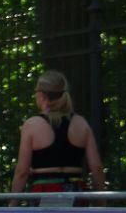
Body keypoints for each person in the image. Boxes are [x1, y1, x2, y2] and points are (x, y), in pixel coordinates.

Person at [10, 70, 105, 204]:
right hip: (76, 192)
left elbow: (22, 171)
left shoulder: (32, 125)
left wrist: (12, 204)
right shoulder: (81, 123)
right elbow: (96, 167)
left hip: (44, 191)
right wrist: (102, 203)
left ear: (42, 95)